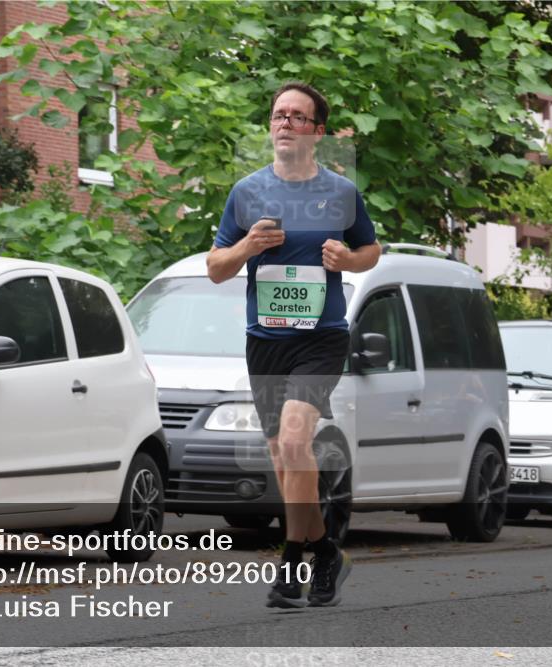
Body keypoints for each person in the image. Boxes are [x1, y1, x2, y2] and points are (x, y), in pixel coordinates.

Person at [206, 81, 380, 608]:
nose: (284, 122)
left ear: (317, 132)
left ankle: (291, 564)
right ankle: (326, 549)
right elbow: (215, 269)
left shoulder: (341, 193)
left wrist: (347, 262)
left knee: (294, 440)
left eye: (296, 116)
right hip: (265, 340)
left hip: (321, 338)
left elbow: (370, 249)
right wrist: (247, 245)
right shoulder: (247, 192)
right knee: (283, 458)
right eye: (278, 114)